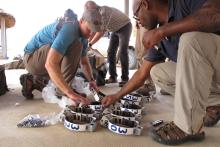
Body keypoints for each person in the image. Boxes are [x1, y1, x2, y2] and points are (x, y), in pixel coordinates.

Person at [101, 0, 220, 145]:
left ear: (145, 4)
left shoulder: (183, 4)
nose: (138, 22)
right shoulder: (159, 38)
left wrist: (162, 31)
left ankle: (188, 127)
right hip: (213, 77)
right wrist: (116, 96)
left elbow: (215, 16)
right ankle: (214, 103)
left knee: (190, 39)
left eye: (137, 16)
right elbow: (142, 74)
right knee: (158, 72)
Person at [20, 9, 100, 105]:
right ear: (81, 21)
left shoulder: (83, 37)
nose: (91, 33)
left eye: (94, 31)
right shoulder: (70, 29)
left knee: (76, 50)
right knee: (76, 45)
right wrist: (69, 93)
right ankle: (62, 93)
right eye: (89, 28)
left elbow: (84, 63)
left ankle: (32, 80)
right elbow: (50, 64)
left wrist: (92, 80)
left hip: (41, 61)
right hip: (31, 59)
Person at [84, 1, 132, 86]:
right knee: (110, 52)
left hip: (125, 26)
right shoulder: (96, 15)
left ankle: (125, 79)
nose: (89, 13)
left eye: (88, 10)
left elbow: (100, 32)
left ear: (94, 7)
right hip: (115, 29)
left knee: (122, 52)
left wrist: (90, 44)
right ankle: (113, 77)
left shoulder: (103, 12)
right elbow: (94, 29)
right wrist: (86, 42)